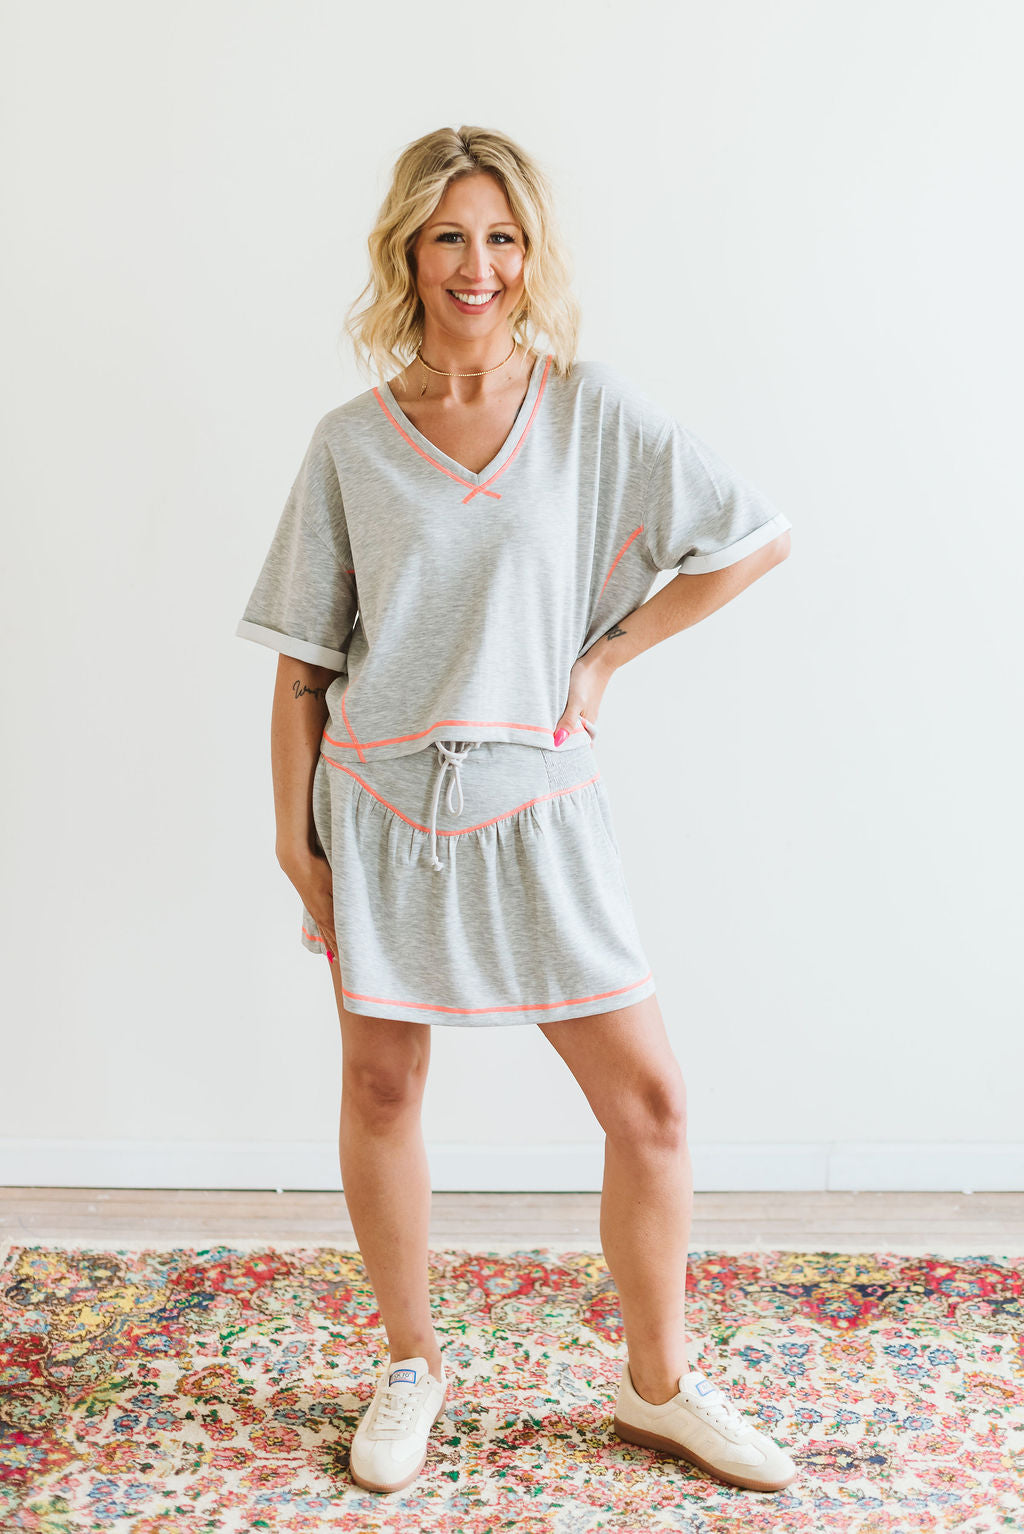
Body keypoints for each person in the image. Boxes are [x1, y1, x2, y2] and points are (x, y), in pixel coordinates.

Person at [235, 124, 797, 1497]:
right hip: (381, 804)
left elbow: (752, 536)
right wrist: (293, 839)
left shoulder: (593, 415)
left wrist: (603, 660)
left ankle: (657, 1385)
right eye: (448, 236)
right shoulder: (351, 445)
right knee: (383, 1086)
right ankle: (411, 1364)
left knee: (650, 1103)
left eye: (499, 236)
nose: (474, 264)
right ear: (408, 254)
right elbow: (304, 666)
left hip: (539, 804)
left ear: (529, 255)